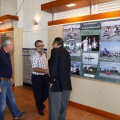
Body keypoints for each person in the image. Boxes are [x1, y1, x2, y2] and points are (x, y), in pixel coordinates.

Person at [0, 36, 25, 120]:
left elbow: (7, 67)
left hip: (7, 80)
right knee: (2, 104)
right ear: (7, 45)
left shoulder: (7, 54)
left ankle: (16, 114)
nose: (13, 46)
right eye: (12, 44)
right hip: (1, 82)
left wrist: (10, 77)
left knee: (11, 98)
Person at [48, 37, 72, 120]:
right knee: (63, 106)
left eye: (52, 44)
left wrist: (51, 81)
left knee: (54, 107)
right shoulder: (66, 52)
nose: (52, 46)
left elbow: (54, 67)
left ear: (55, 43)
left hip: (57, 83)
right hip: (67, 84)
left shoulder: (55, 51)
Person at [31, 40, 49, 116]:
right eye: (39, 46)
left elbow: (46, 65)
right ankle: (39, 108)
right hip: (37, 77)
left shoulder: (44, 54)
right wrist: (46, 71)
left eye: (42, 45)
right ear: (36, 47)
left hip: (45, 77)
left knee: (46, 93)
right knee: (38, 94)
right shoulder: (33, 56)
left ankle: (40, 103)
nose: (41, 47)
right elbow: (35, 68)